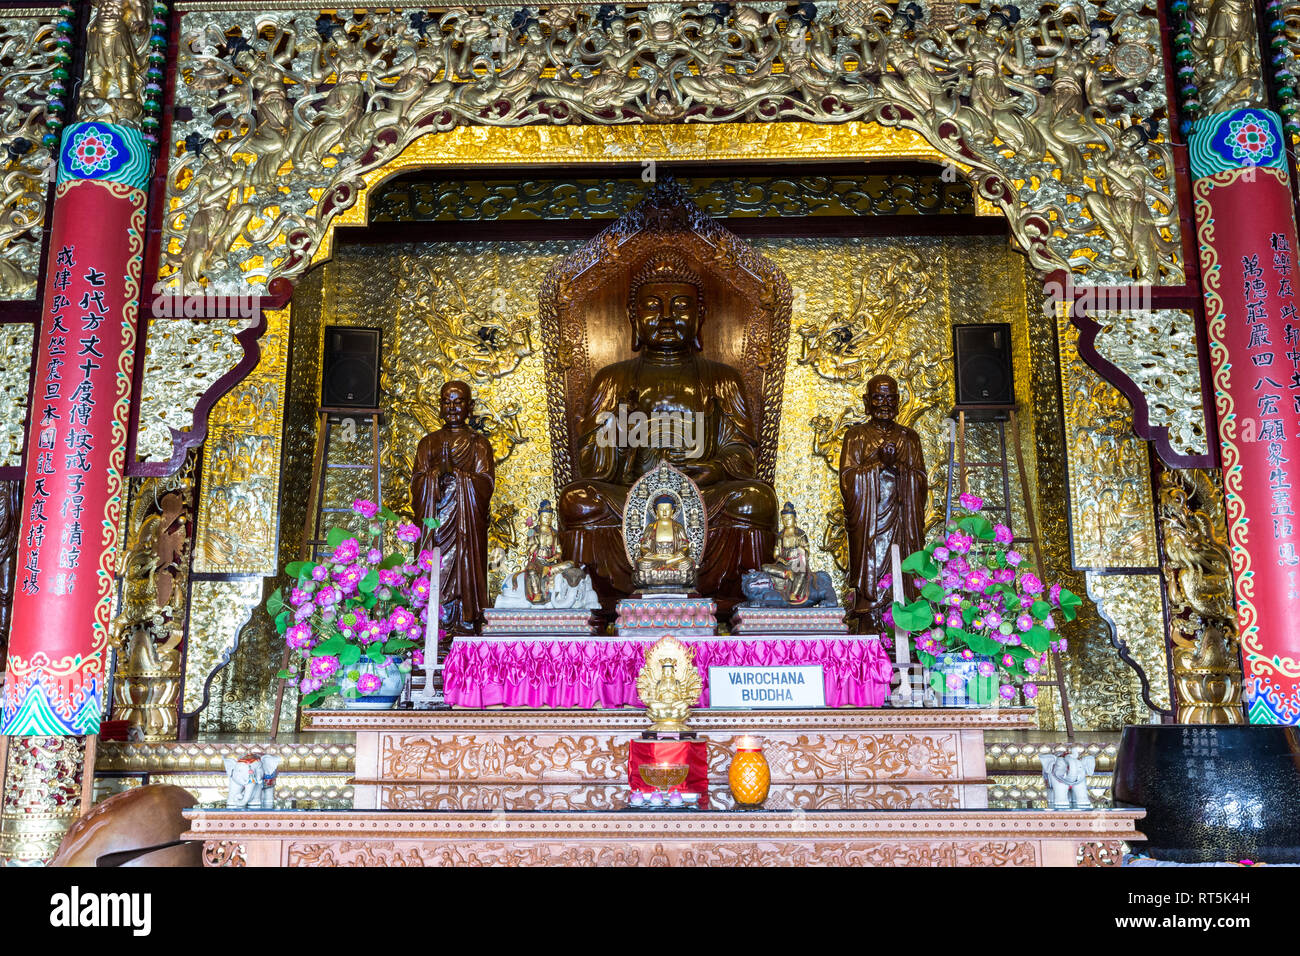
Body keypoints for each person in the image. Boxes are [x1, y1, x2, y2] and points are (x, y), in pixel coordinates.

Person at [558, 253, 777, 608]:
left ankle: (741, 597)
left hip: (704, 496)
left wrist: (715, 469)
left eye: (679, 306)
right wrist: (624, 440)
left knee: (756, 500)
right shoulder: (612, 379)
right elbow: (592, 466)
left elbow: (742, 453)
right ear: (633, 317)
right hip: (627, 497)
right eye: (651, 306)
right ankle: (590, 597)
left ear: (700, 316)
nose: (665, 317)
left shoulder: (721, 378)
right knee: (577, 501)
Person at [840, 374, 927, 632]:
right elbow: (847, 481)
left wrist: (900, 469)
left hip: (902, 521)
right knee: (871, 575)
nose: (884, 403)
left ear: (898, 402)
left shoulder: (909, 438)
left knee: (903, 574)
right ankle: (870, 615)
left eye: (890, 398)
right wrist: (879, 463)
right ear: (867, 402)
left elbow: (921, 482)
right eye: (878, 397)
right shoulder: (855, 436)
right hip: (869, 526)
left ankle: (903, 624)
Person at [411, 381, 495, 634]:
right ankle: (434, 627)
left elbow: (486, 483)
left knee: (465, 567)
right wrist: (435, 475)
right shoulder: (428, 443)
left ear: (469, 407)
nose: (452, 407)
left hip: (465, 525)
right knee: (432, 567)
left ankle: (466, 620)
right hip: (435, 522)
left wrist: (458, 475)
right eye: (446, 401)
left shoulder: (478, 443)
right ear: (439, 406)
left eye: (458, 402)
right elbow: (417, 483)